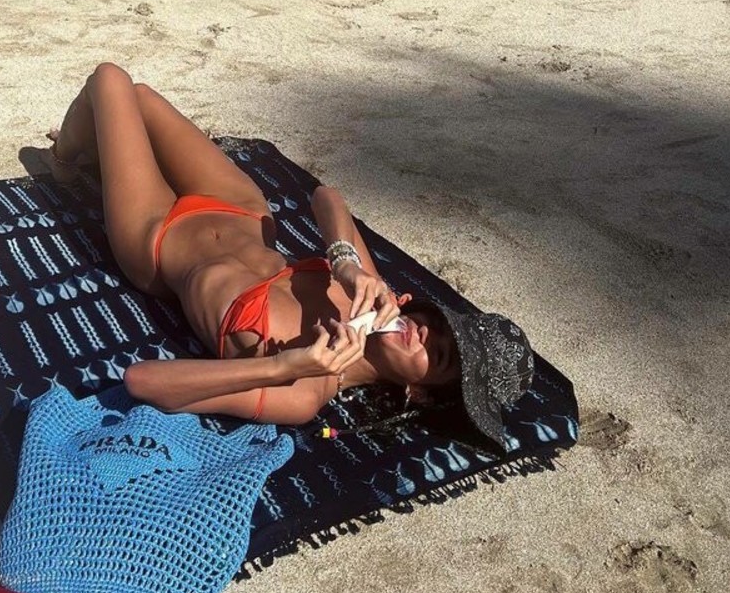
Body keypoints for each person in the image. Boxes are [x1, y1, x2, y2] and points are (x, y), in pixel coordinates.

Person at [47, 63, 533, 445]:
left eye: (439, 354)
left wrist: (286, 365)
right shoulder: (371, 294)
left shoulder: (303, 392)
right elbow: (327, 198)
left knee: (111, 81)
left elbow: (144, 382)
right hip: (239, 206)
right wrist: (346, 263)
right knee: (141, 97)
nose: (424, 333)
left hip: (157, 239)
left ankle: (64, 158)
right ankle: (90, 149)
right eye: (438, 325)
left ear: (419, 393)